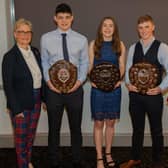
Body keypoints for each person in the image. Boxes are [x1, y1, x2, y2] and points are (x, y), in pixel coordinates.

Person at [40, 3, 89, 168]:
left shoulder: (81, 39)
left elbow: (84, 64)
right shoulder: (46, 38)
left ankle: (77, 158)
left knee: (76, 127)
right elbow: (45, 63)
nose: (64, 21)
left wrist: (79, 82)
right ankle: (53, 159)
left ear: (72, 18)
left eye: (67, 17)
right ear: (55, 18)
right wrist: (48, 83)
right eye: (60, 17)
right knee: (54, 127)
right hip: (53, 91)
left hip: (75, 91)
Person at [121, 15, 168, 168]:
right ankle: (135, 158)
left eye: (147, 27)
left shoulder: (162, 47)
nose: (144, 30)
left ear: (153, 27)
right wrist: (128, 84)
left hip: (153, 97)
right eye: (141, 27)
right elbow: (128, 69)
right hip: (135, 96)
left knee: (156, 130)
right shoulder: (133, 47)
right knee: (137, 129)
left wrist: (161, 88)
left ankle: (158, 161)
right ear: (138, 29)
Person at [2, 18, 45, 168]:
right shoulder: (9, 57)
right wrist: (15, 108)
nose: (25, 35)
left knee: (30, 135)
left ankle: (27, 161)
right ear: (15, 34)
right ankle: (23, 165)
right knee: (21, 138)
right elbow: (8, 86)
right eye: (21, 32)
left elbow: (40, 77)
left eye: (28, 32)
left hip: (37, 98)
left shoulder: (35, 51)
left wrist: (43, 98)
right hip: (20, 102)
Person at [89, 17, 126, 168]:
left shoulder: (120, 45)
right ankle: (99, 157)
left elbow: (122, 66)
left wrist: (119, 79)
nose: (108, 28)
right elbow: (90, 65)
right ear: (100, 28)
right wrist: (90, 78)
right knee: (98, 123)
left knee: (110, 123)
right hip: (97, 90)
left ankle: (108, 153)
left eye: (111, 26)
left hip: (114, 90)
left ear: (114, 29)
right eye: (105, 25)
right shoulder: (93, 44)